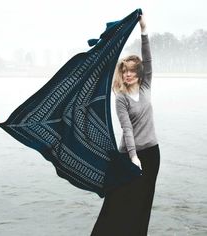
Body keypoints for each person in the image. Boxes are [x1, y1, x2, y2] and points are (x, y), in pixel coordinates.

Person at [90, 14, 160, 236]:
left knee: (143, 201)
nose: (128, 74)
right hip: (129, 156)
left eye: (132, 70)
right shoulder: (120, 97)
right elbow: (127, 129)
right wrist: (132, 156)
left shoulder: (146, 85)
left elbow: (148, 59)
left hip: (152, 153)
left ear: (138, 73)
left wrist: (143, 29)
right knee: (118, 201)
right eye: (125, 71)